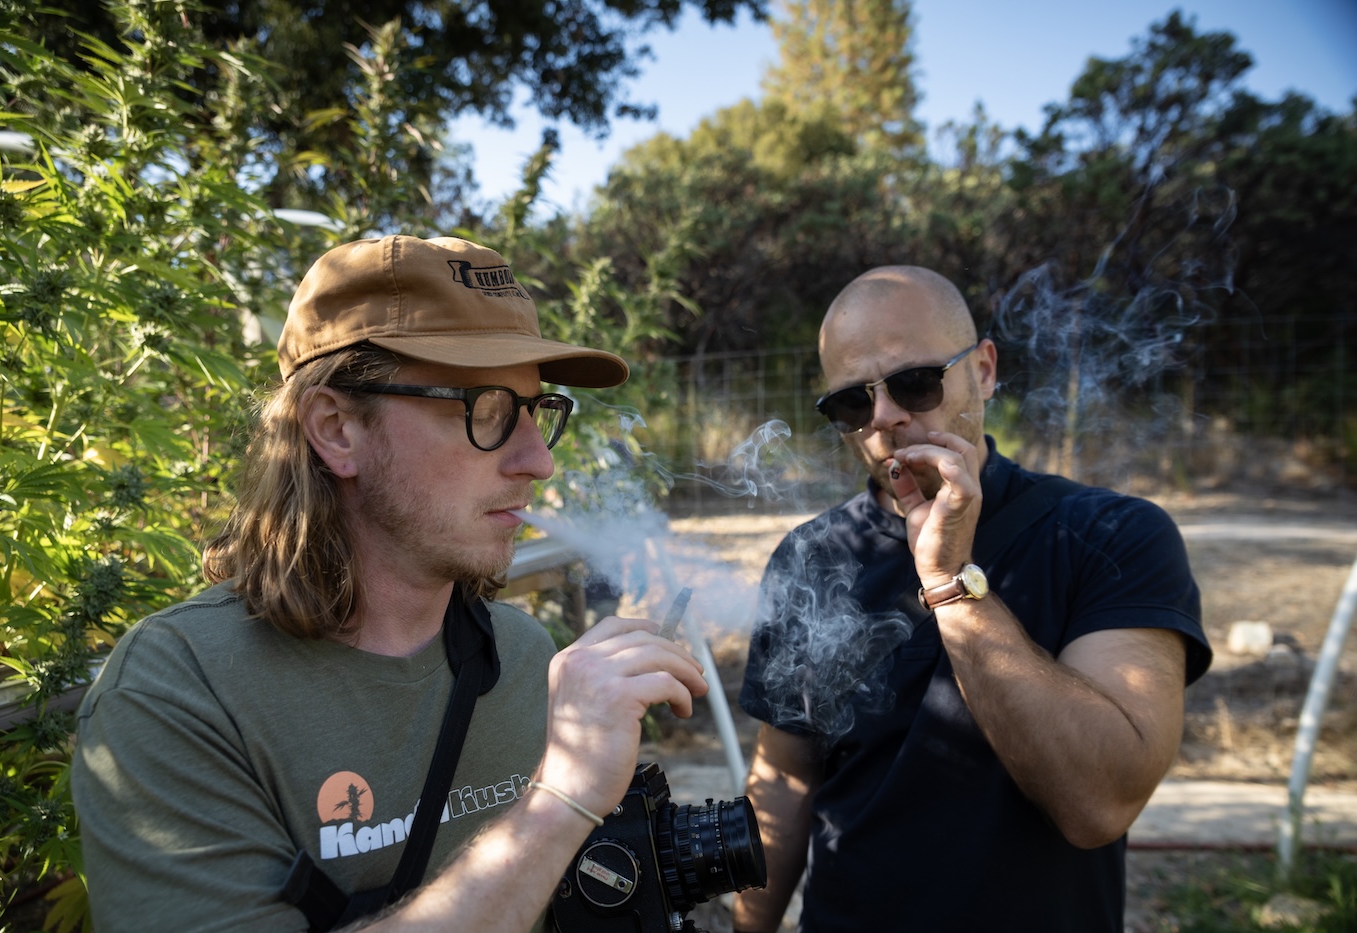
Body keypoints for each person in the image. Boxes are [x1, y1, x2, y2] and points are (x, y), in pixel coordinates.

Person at [71, 234, 708, 932]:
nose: (536, 461)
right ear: (337, 429)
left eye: (537, 411)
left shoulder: (521, 655)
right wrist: (558, 799)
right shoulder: (177, 691)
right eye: (487, 408)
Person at [731, 266, 1211, 933]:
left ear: (983, 370)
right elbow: (784, 781)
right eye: (852, 401)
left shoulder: (1111, 535)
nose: (886, 417)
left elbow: (1100, 802)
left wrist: (950, 580)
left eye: (914, 382)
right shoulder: (812, 555)